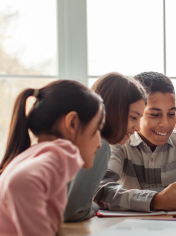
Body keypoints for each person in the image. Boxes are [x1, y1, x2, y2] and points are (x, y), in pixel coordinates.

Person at [0, 80, 104, 235]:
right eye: (97, 129)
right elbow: (21, 181)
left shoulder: (35, 154)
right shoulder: (56, 155)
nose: (100, 143)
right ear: (72, 123)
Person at [94, 72, 176, 212]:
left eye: (171, 114)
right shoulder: (119, 143)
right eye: (155, 115)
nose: (165, 124)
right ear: (137, 113)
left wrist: (136, 198)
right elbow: (102, 191)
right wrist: (156, 200)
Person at [64, 72, 146, 222]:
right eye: (133, 117)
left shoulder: (76, 139)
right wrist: (94, 207)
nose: (138, 127)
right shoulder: (98, 146)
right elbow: (74, 212)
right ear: (113, 110)